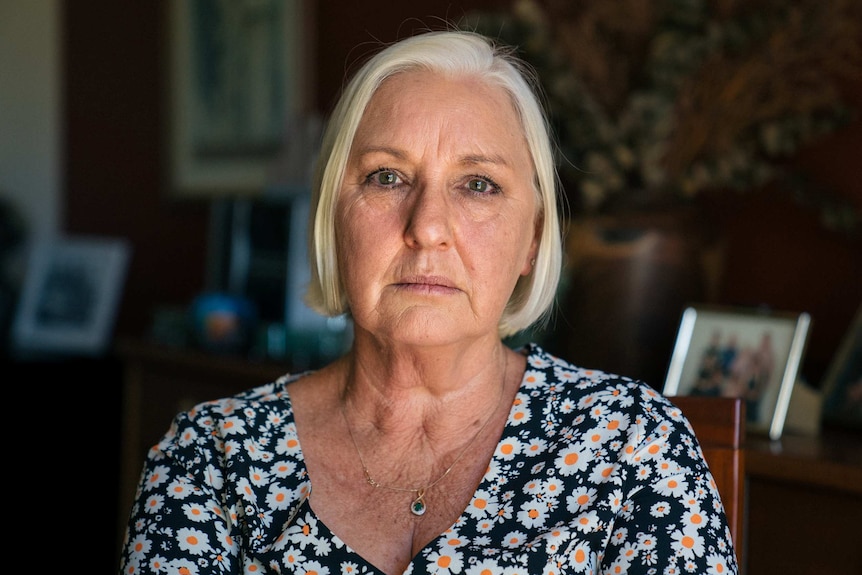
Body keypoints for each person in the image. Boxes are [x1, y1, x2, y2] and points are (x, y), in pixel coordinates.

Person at [118, 29, 740, 575]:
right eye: (387, 176)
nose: (428, 225)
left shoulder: (633, 450)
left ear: (531, 239)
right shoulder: (210, 460)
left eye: (478, 185)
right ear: (334, 218)